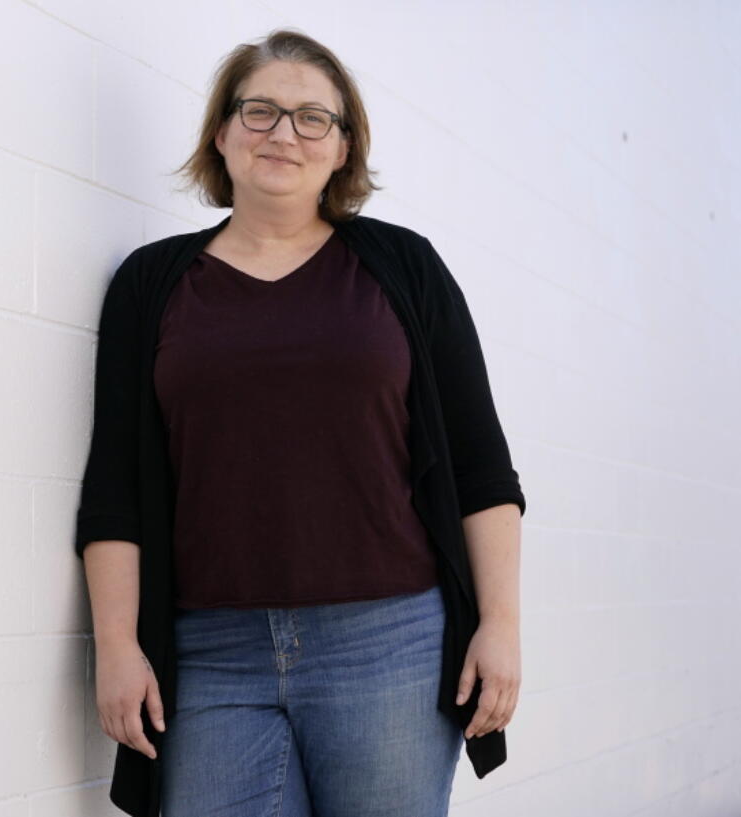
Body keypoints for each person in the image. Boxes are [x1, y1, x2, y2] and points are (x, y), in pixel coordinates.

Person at [75, 27, 526, 817]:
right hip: (210, 654)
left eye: (312, 117)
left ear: (344, 147)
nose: (283, 133)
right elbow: (113, 486)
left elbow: (483, 467)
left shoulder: (403, 269)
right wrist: (116, 646)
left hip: (389, 649)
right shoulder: (151, 285)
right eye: (260, 111)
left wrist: (501, 625)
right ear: (221, 132)